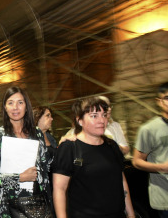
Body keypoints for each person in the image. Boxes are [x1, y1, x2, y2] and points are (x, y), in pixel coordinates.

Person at [53, 96, 135, 218]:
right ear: (80, 120)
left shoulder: (111, 146)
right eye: (94, 116)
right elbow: (60, 189)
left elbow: (121, 180)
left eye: (104, 115)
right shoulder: (69, 148)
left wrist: (131, 214)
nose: (102, 120)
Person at [0, 86, 52, 218]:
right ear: (5, 107)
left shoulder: (36, 133)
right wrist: (19, 178)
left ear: (27, 107)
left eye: (20, 102)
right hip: (10, 207)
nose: (15, 107)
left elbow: (46, 167)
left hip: (38, 203)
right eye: (10, 103)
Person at [132, 82, 168, 218]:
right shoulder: (149, 129)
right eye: (167, 98)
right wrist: (162, 167)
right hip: (165, 199)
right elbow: (136, 161)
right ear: (159, 102)